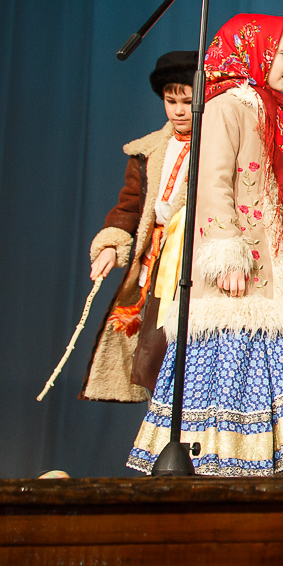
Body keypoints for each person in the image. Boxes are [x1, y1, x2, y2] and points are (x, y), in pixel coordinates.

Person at [125, 14, 283, 476]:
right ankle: (214, 458)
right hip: (236, 271)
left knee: (261, 353)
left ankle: (256, 460)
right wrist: (227, 255)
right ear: (255, 52)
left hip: (267, 272)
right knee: (225, 355)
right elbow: (211, 183)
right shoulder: (226, 107)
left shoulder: (274, 112)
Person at [83, 50, 196, 403]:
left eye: (187, 101)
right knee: (151, 345)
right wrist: (111, 245)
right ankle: (159, 421)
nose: (179, 110)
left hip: (191, 259)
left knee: (185, 346)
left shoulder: (215, 146)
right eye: (171, 101)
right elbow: (130, 207)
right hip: (156, 260)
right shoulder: (146, 151)